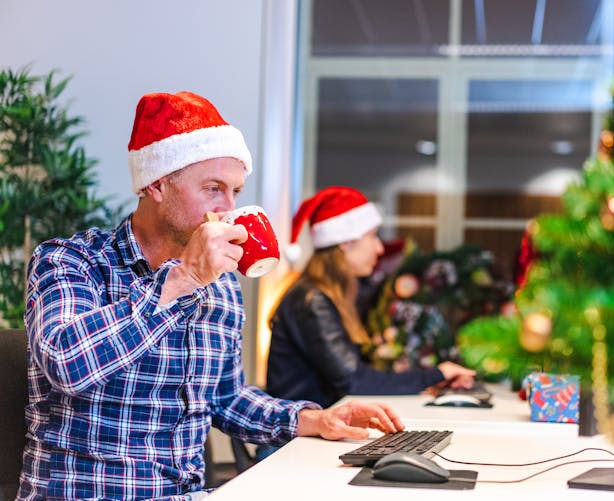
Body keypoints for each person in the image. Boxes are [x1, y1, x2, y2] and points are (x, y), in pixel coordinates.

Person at [18, 91, 403, 501]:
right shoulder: (70, 261)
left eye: (235, 191)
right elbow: (68, 364)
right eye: (213, 188)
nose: (227, 209)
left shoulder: (219, 286)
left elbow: (224, 398)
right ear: (157, 184)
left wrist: (313, 419)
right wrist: (182, 279)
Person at [265, 186, 476, 410]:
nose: (379, 248)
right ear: (345, 242)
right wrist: (435, 374)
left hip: (317, 430)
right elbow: (354, 381)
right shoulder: (312, 301)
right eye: (373, 236)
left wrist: (433, 379)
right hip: (295, 441)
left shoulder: (332, 295)